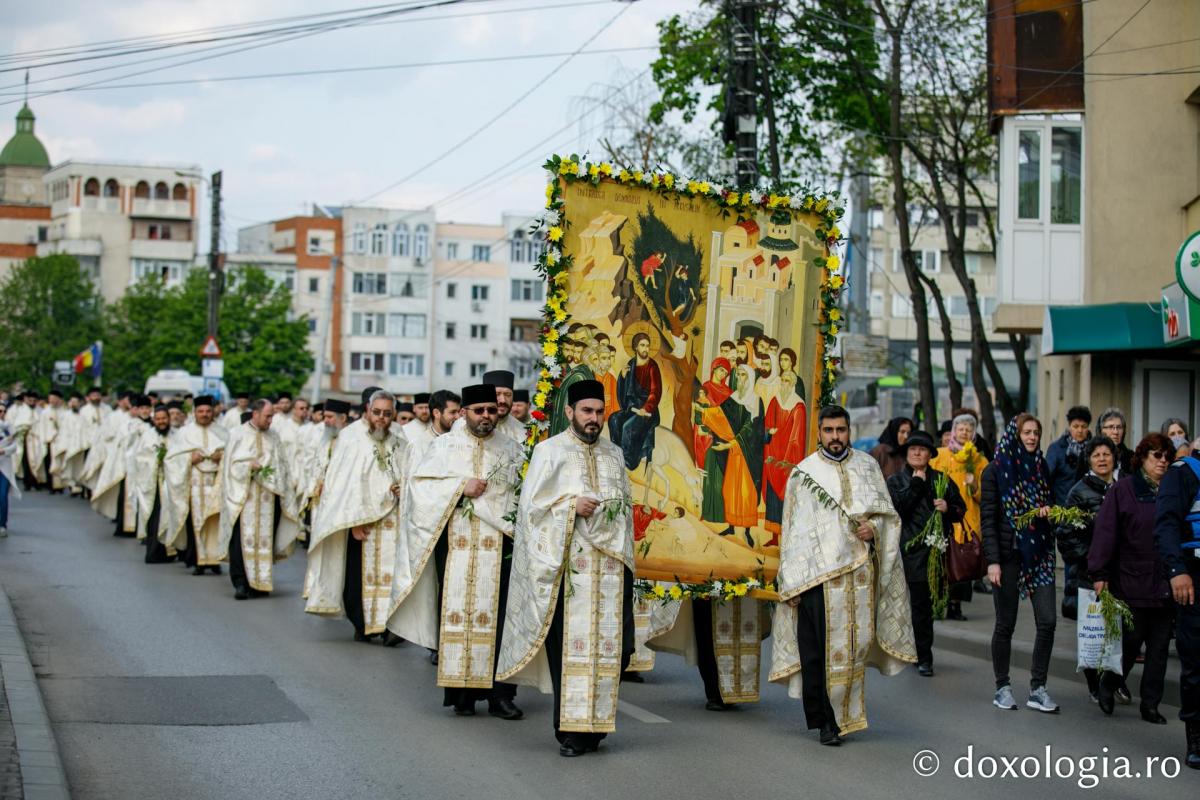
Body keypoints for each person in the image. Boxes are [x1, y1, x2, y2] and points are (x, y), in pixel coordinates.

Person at [496, 380, 636, 757]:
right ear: (571, 412)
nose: (594, 419)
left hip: (608, 572)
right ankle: (571, 733)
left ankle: (597, 727)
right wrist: (569, 507)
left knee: (613, 650)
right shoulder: (549, 451)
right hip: (567, 570)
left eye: (599, 412)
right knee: (569, 654)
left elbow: (626, 508)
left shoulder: (614, 453)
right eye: (586, 411)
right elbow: (530, 512)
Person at [769, 405, 915, 745]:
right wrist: (790, 580)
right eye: (829, 430)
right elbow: (792, 530)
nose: (836, 437)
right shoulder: (803, 474)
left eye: (841, 430)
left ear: (849, 431)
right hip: (818, 578)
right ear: (819, 432)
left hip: (859, 576)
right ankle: (826, 722)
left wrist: (873, 529)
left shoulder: (867, 467)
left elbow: (889, 517)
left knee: (854, 647)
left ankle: (844, 712)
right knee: (819, 650)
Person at [389, 383, 525, 719]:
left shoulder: (512, 449)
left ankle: (500, 696)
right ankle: (462, 692)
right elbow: (421, 487)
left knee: (501, 622)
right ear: (464, 412)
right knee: (458, 616)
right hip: (457, 548)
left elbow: (524, 496)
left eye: (491, 410)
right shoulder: (445, 446)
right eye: (479, 411)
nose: (486, 417)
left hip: (501, 548)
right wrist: (459, 486)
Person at [307, 391, 409, 642]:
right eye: (377, 412)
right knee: (357, 576)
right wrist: (354, 521)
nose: (382, 419)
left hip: (392, 518)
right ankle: (362, 624)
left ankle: (388, 626)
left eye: (387, 413)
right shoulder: (350, 438)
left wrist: (402, 486)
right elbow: (343, 484)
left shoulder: (399, 437)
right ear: (367, 410)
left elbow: (408, 470)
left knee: (392, 572)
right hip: (361, 520)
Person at [1089, 433, 1174, 724]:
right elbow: (1105, 533)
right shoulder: (1123, 490)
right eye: (1156, 456)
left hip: (1165, 581)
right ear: (1142, 458)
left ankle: (1150, 705)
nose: (1162, 461)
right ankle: (1109, 685)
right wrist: (1099, 573)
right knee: (1130, 642)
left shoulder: (1173, 490)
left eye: (1166, 456)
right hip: (1132, 579)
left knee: (1159, 648)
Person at [982, 414, 1058, 713]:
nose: (1032, 437)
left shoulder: (1041, 468)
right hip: (1009, 555)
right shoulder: (995, 470)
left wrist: (1048, 513)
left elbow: (1049, 502)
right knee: (1006, 624)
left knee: (1048, 622)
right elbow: (988, 518)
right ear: (1015, 434)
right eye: (1026, 432)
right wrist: (993, 562)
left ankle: (1038, 688)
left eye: (1036, 432)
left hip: (1040, 554)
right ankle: (1002, 687)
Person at [887, 430, 966, 677]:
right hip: (907, 551)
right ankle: (916, 654)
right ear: (906, 454)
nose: (917, 453)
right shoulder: (896, 481)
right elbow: (897, 508)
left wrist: (948, 509)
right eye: (913, 449)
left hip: (934, 552)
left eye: (922, 449)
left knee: (925, 607)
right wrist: (917, 484)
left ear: (930, 454)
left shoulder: (941, 479)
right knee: (912, 605)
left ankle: (922, 654)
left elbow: (960, 509)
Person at [1055, 436, 1117, 700]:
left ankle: (1113, 680)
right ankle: (1095, 684)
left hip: (1121, 574)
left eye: (1107, 454)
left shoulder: (1123, 487)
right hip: (1088, 575)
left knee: (1118, 631)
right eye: (1096, 455)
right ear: (1088, 460)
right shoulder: (1079, 491)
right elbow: (1066, 536)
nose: (1102, 459)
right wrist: (1092, 560)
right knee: (1093, 631)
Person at [219, 399, 300, 600]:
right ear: (255, 414)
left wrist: (284, 491)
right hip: (244, 498)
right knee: (241, 542)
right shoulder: (237, 435)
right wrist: (247, 467)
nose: (271, 420)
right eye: (268, 416)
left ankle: (260, 583)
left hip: (268, 501)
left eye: (272, 416)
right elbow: (230, 468)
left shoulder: (274, 437)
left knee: (265, 541)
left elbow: (283, 467)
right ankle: (240, 584)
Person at [1153, 438, 1200, 769]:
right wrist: (1177, 571)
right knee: (1197, 662)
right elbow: (1166, 524)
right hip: (1194, 580)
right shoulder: (1182, 473)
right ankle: (1196, 736)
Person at [162, 395, 228, 575]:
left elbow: (233, 457)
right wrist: (188, 459)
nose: (205, 414)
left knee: (215, 521)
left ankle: (214, 560)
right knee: (196, 522)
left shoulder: (223, 432)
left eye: (208, 411)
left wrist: (222, 457)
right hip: (194, 484)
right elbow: (170, 459)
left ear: (213, 411)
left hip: (216, 484)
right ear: (194, 412)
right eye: (201, 411)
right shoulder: (184, 433)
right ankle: (199, 559)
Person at [932, 412, 989, 620]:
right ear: (954, 431)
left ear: (974, 433)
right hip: (942, 517)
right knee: (940, 562)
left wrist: (974, 485)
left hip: (968, 520)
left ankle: (955, 606)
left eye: (969, 429)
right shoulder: (939, 456)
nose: (964, 432)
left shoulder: (979, 460)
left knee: (963, 564)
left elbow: (985, 495)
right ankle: (937, 604)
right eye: (961, 428)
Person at [607, 332, 662, 471]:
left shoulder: (652, 366)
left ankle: (628, 462)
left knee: (627, 427)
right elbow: (625, 391)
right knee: (614, 419)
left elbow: (655, 392)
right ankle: (617, 455)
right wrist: (623, 377)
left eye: (647, 346)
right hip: (633, 408)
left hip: (648, 411)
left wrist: (647, 408)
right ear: (636, 347)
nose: (646, 349)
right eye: (642, 345)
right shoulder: (631, 364)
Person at [129, 405, 176, 563]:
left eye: (164, 418)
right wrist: (157, 459)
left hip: (173, 483)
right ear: (154, 420)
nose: (161, 422)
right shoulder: (148, 436)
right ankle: (155, 553)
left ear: (168, 419)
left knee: (172, 516)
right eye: (158, 419)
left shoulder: (177, 435)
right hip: (154, 483)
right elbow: (139, 459)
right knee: (155, 518)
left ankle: (173, 551)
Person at [1046, 406, 1092, 505]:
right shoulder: (1056, 448)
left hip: (1087, 508)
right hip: (1062, 508)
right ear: (1069, 426)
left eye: (1083, 427)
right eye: (1075, 426)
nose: (1080, 430)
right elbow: (1047, 479)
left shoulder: (1093, 450)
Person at [482, 370, 526, 442]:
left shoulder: (523, 432)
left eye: (508, 395)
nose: (503, 400)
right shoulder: (465, 427)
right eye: (497, 394)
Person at [0, 404, 20, 537]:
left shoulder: (9, 427)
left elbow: (14, 446)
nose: (1, 413)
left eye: (3, 411)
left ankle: (2, 524)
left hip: (4, 467)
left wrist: (3, 450)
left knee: (2, 496)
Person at [1097, 408, 1134, 476]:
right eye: (1111, 427)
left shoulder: (1131, 457)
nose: (1116, 432)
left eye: (1119, 427)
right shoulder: (1089, 455)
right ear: (1101, 430)